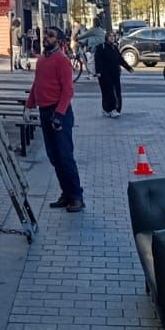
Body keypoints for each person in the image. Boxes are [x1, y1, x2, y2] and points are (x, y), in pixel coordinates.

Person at [25, 26, 84, 212]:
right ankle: (66, 193)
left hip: (59, 113)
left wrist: (59, 114)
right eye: (45, 35)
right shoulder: (42, 60)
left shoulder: (62, 61)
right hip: (45, 111)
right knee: (54, 156)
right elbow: (37, 84)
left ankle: (76, 196)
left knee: (65, 156)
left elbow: (68, 90)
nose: (46, 38)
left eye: (51, 36)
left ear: (58, 40)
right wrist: (29, 105)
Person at [93, 30, 132, 117]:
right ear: (106, 37)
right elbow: (97, 60)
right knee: (108, 92)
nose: (112, 38)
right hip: (104, 74)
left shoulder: (115, 48)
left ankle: (113, 109)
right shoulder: (101, 47)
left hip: (115, 73)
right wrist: (98, 72)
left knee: (116, 91)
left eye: (113, 36)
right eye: (110, 36)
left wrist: (128, 68)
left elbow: (120, 59)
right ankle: (110, 109)